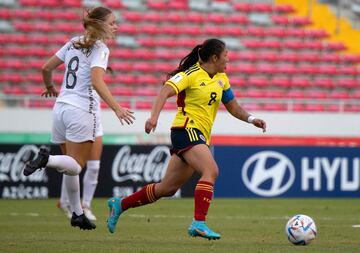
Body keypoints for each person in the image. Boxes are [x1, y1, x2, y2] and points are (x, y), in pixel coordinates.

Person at [106, 38, 266, 240]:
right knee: (211, 170)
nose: (228, 59)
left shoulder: (222, 79)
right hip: (186, 130)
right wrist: (153, 117)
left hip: (199, 136)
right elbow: (165, 91)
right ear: (215, 57)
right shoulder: (189, 75)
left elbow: (233, 107)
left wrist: (251, 119)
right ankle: (199, 223)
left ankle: (119, 205)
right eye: (226, 55)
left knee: (167, 188)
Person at [23, 6, 135, 230]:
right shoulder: (100, 48)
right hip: (82, 111)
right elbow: (96, 81)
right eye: (112, 22)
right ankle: (47, 160)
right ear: (100, 25)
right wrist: (117, 108)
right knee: (75, 166)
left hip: (61, 108)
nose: (116, 26)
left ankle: (76, 213)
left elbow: (46, 67)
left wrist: (49, 86)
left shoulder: (73, 41)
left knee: (70, 167)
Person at [57, 135, 103, 221]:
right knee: (71, 164)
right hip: (76, 125)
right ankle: (65, 203)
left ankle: (86, 206)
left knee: (94, 167)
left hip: (94, 124)